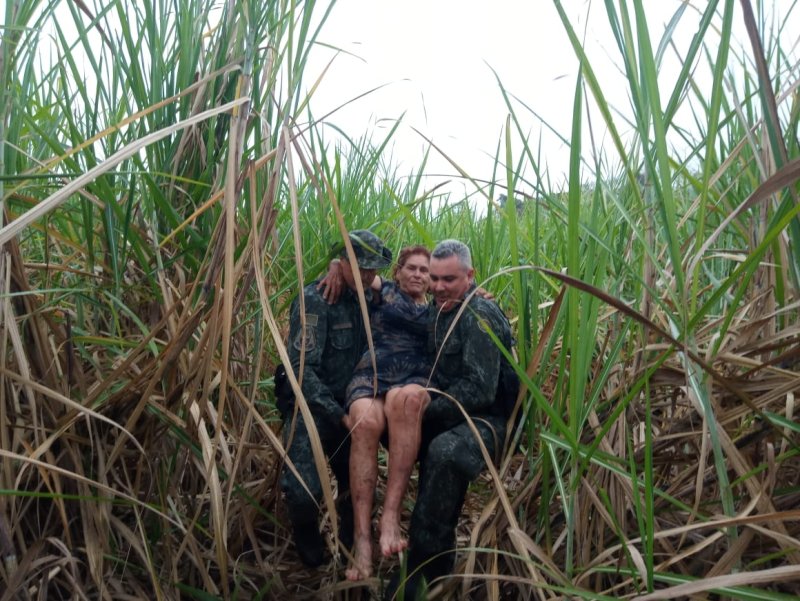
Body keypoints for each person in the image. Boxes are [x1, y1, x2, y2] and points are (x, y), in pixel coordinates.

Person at [384, 239, 519, 600]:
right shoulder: (437, 309)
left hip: (489, 420)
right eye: (435, 278)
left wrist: (424, 406)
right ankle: (428, 556)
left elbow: (480, 390)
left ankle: (422, 565)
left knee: (444, 452)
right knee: (390, 428)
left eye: (450, 280)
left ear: (470, 276)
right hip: (452, 411)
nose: (439, 287)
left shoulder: (478, 315)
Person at [276, 229, 392, 567]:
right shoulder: (317, 300)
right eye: (359, 267)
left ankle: (349, 544)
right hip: (312, 408)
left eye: (372, 269)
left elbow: (419, 286)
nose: (367, 275)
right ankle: (307, 536)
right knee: (302, 491)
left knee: (358, 488)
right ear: (342, 263)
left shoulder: (373, 297)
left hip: (353, 407)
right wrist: (339, 415)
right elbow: (301, 371)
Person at [343, 246, 433, 581]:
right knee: (365, 421)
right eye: (411, 268)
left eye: (424, 270)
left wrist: (478, 292)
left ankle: (390, 517)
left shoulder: (437, 307)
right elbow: (356, 271)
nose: (418, 274)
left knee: (404, 401)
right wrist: (336, 266)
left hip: (413, 379)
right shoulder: (386, 291)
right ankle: (362, 540)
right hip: (371, 375)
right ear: (398, 271)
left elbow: (465, 293)